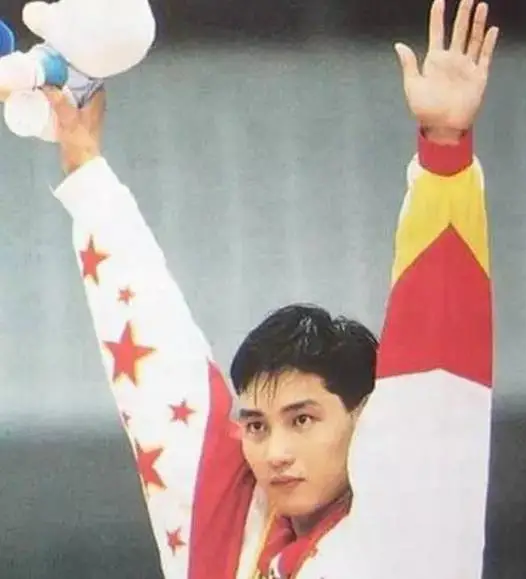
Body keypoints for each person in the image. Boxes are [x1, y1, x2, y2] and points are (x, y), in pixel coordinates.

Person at [29, 0, 499, 577]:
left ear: (364, 420)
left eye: (302, 420)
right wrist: (84, 165)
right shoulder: (233, 541)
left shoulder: (410, 529)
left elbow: (433, 357)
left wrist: (445, 148)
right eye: (256, 426)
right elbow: (161, 372)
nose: (275, 453)